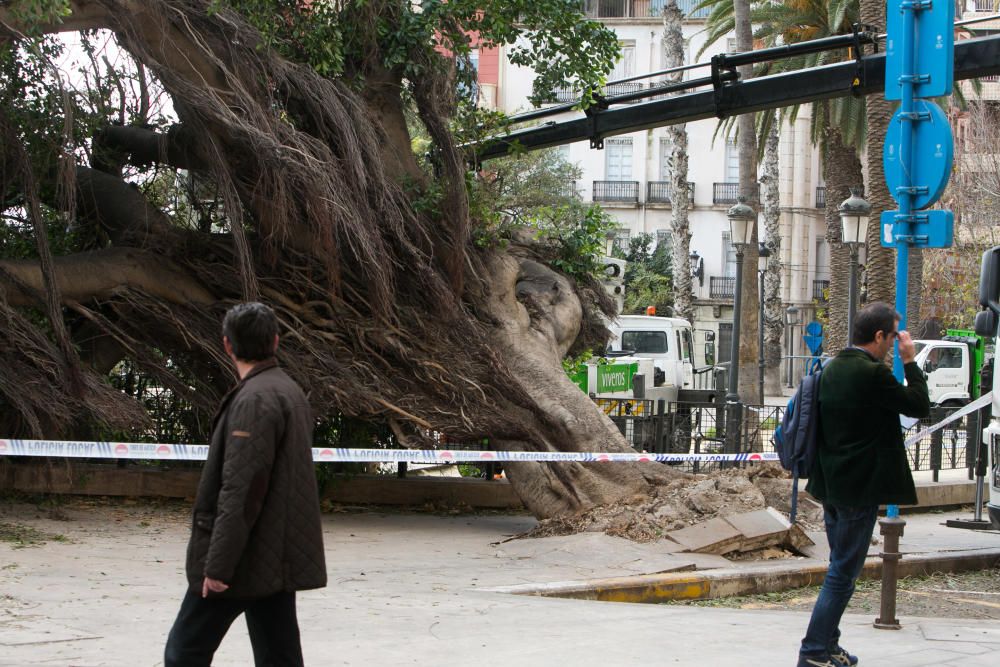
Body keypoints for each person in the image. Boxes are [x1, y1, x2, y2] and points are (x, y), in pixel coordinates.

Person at [165, 302, 327, 667]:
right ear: (275, 341)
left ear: (227, 345)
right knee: (279, 656)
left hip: (245, 558)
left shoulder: (255, 400)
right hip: (276, 554)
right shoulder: (288, 391)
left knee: (184, 651)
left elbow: (242, 490)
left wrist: (218, 566)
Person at [797, 302, 929, 667]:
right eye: (891, 338)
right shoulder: (872, 374)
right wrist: (911, 361)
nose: (892, 345)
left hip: (831, 485)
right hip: (858, 488)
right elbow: (919, 404)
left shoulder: (833, 367)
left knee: (840, 566)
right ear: (879, 336)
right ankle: (812, 652)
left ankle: (828, 646)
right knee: (843, 574)